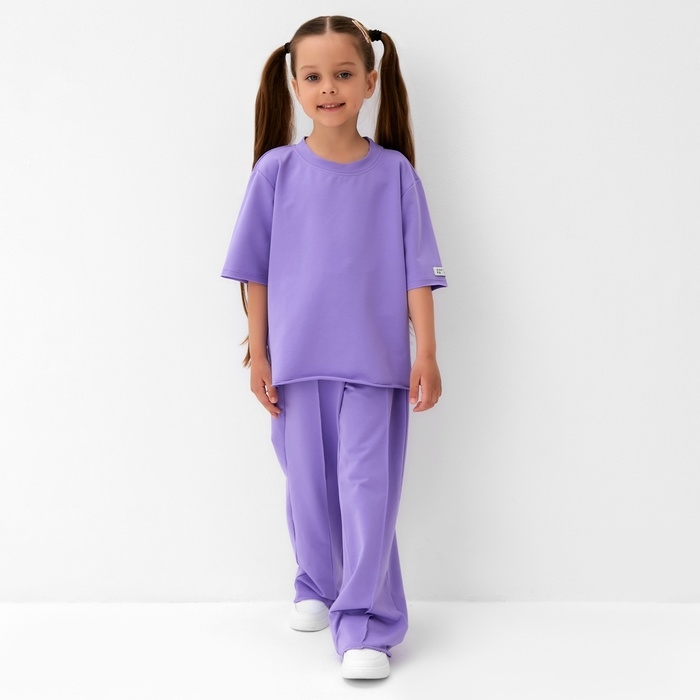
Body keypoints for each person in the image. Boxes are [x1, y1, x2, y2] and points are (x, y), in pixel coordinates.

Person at [221, 15, 447, 680]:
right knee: (309, 489)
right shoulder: (275, 172)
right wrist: (260, 355)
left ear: (370, 82)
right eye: (314, 76)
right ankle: (316, 582)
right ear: (293, 85)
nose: (329, 88)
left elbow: (417, 273)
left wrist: (426, 353)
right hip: (297, 364)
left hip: (375, 366)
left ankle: (367, 625)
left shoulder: (395, 174)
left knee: (367, 493)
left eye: (343, 74)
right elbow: (255, 271)